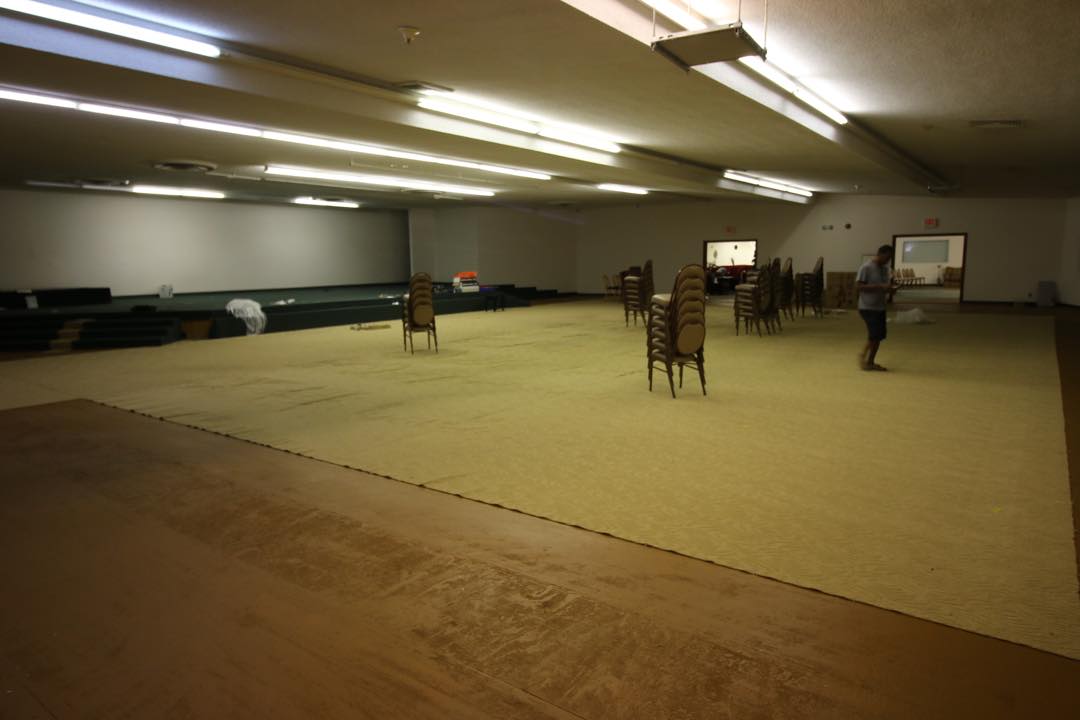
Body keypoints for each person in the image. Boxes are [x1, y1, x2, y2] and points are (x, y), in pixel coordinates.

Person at [856, 245, 896, 371]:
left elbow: (884, 286)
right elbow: (859, 286)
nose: (888, 260)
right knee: (874, 335)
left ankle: (870, 362)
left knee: (879, 336)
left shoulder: (885, 269)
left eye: (890, 258)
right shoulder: (866, 267)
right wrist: (880, 287)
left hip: (880, 306)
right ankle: (862, 356)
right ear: (880, 254)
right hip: (867, 307)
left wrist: (890, 290)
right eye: (887, 257)